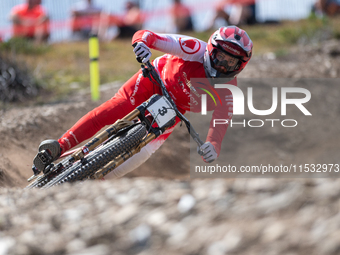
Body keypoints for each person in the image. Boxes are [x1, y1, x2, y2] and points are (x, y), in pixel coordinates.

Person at [34, 26, 253, 179]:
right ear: (211, 48)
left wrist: (213, 146)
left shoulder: (229, 90)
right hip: (154, 80)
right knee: (115, 109)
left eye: (230, 62)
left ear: (239, 65)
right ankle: (59, 146)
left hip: (175, 110)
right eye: (220, 57)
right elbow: (146, 35)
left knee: (135, 158)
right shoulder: (194, 48)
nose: (222, 65)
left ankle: (86, 184)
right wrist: (141, 44)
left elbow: (221, 123)